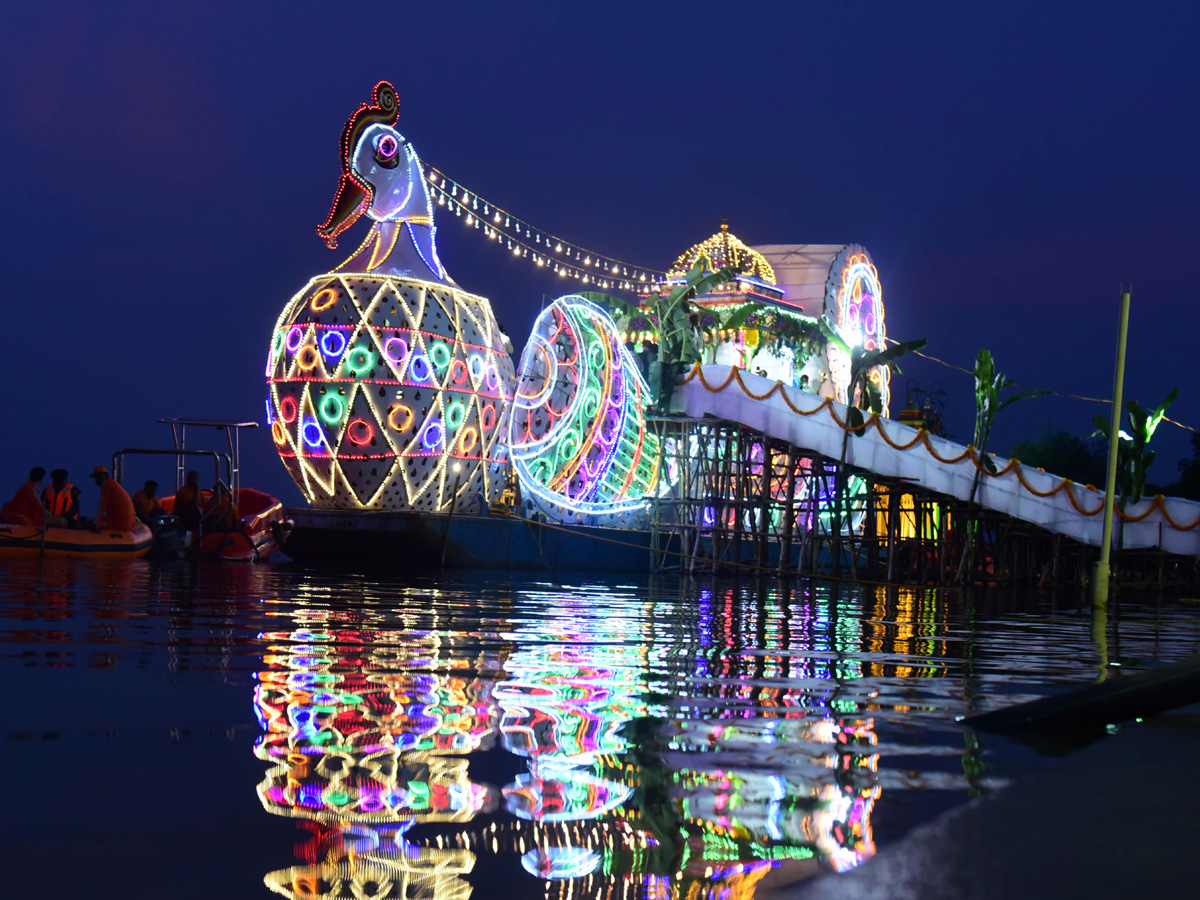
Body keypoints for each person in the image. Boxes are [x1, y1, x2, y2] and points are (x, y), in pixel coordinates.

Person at [89, 466, 136, 532]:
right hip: (126, 519)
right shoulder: (113, 484)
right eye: (95, 478)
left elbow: (102, 505)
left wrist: (96, 524)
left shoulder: (107, 485)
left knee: (89, 524)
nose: (97, 480)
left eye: (98, 477)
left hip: (121, 522)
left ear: (105, 475)